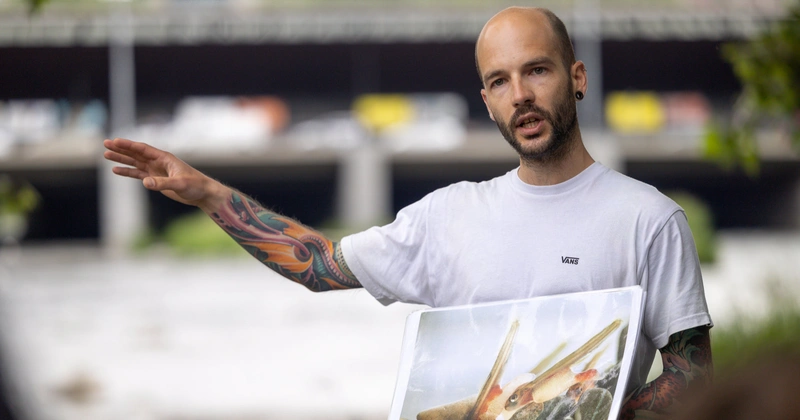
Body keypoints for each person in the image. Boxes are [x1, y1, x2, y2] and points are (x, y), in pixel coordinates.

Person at [103, 6, 713, 419]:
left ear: (576, 78)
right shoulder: (447, 217)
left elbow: (692, 375)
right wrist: (210, 194)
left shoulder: (649, 219)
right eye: (499, 81)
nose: (520, 95)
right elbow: (318, 264)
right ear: (486, 101)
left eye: (537, 71)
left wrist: (588, 410)